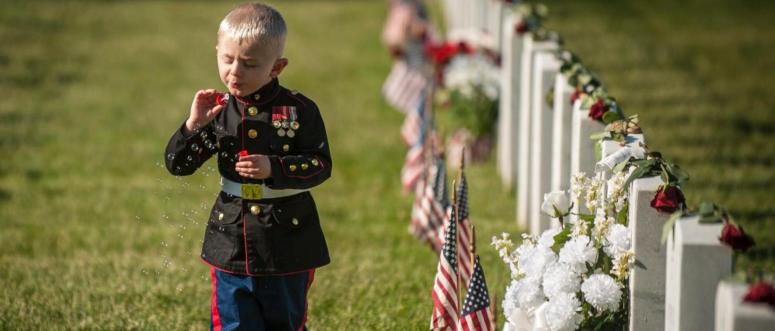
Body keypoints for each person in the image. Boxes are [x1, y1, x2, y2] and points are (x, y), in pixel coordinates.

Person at [163, 3, 332, 330]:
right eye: (227, 60)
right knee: (233, 324)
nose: (235, 72)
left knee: (285, 323)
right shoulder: (217, 111)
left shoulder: (299, 110)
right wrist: (193, 125)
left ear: (277, 67)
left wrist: (274, 168)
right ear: (217, 52)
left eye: (250, 64)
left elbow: (321, 164)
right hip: (230, 242)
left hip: (287, 242)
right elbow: (178, 165)